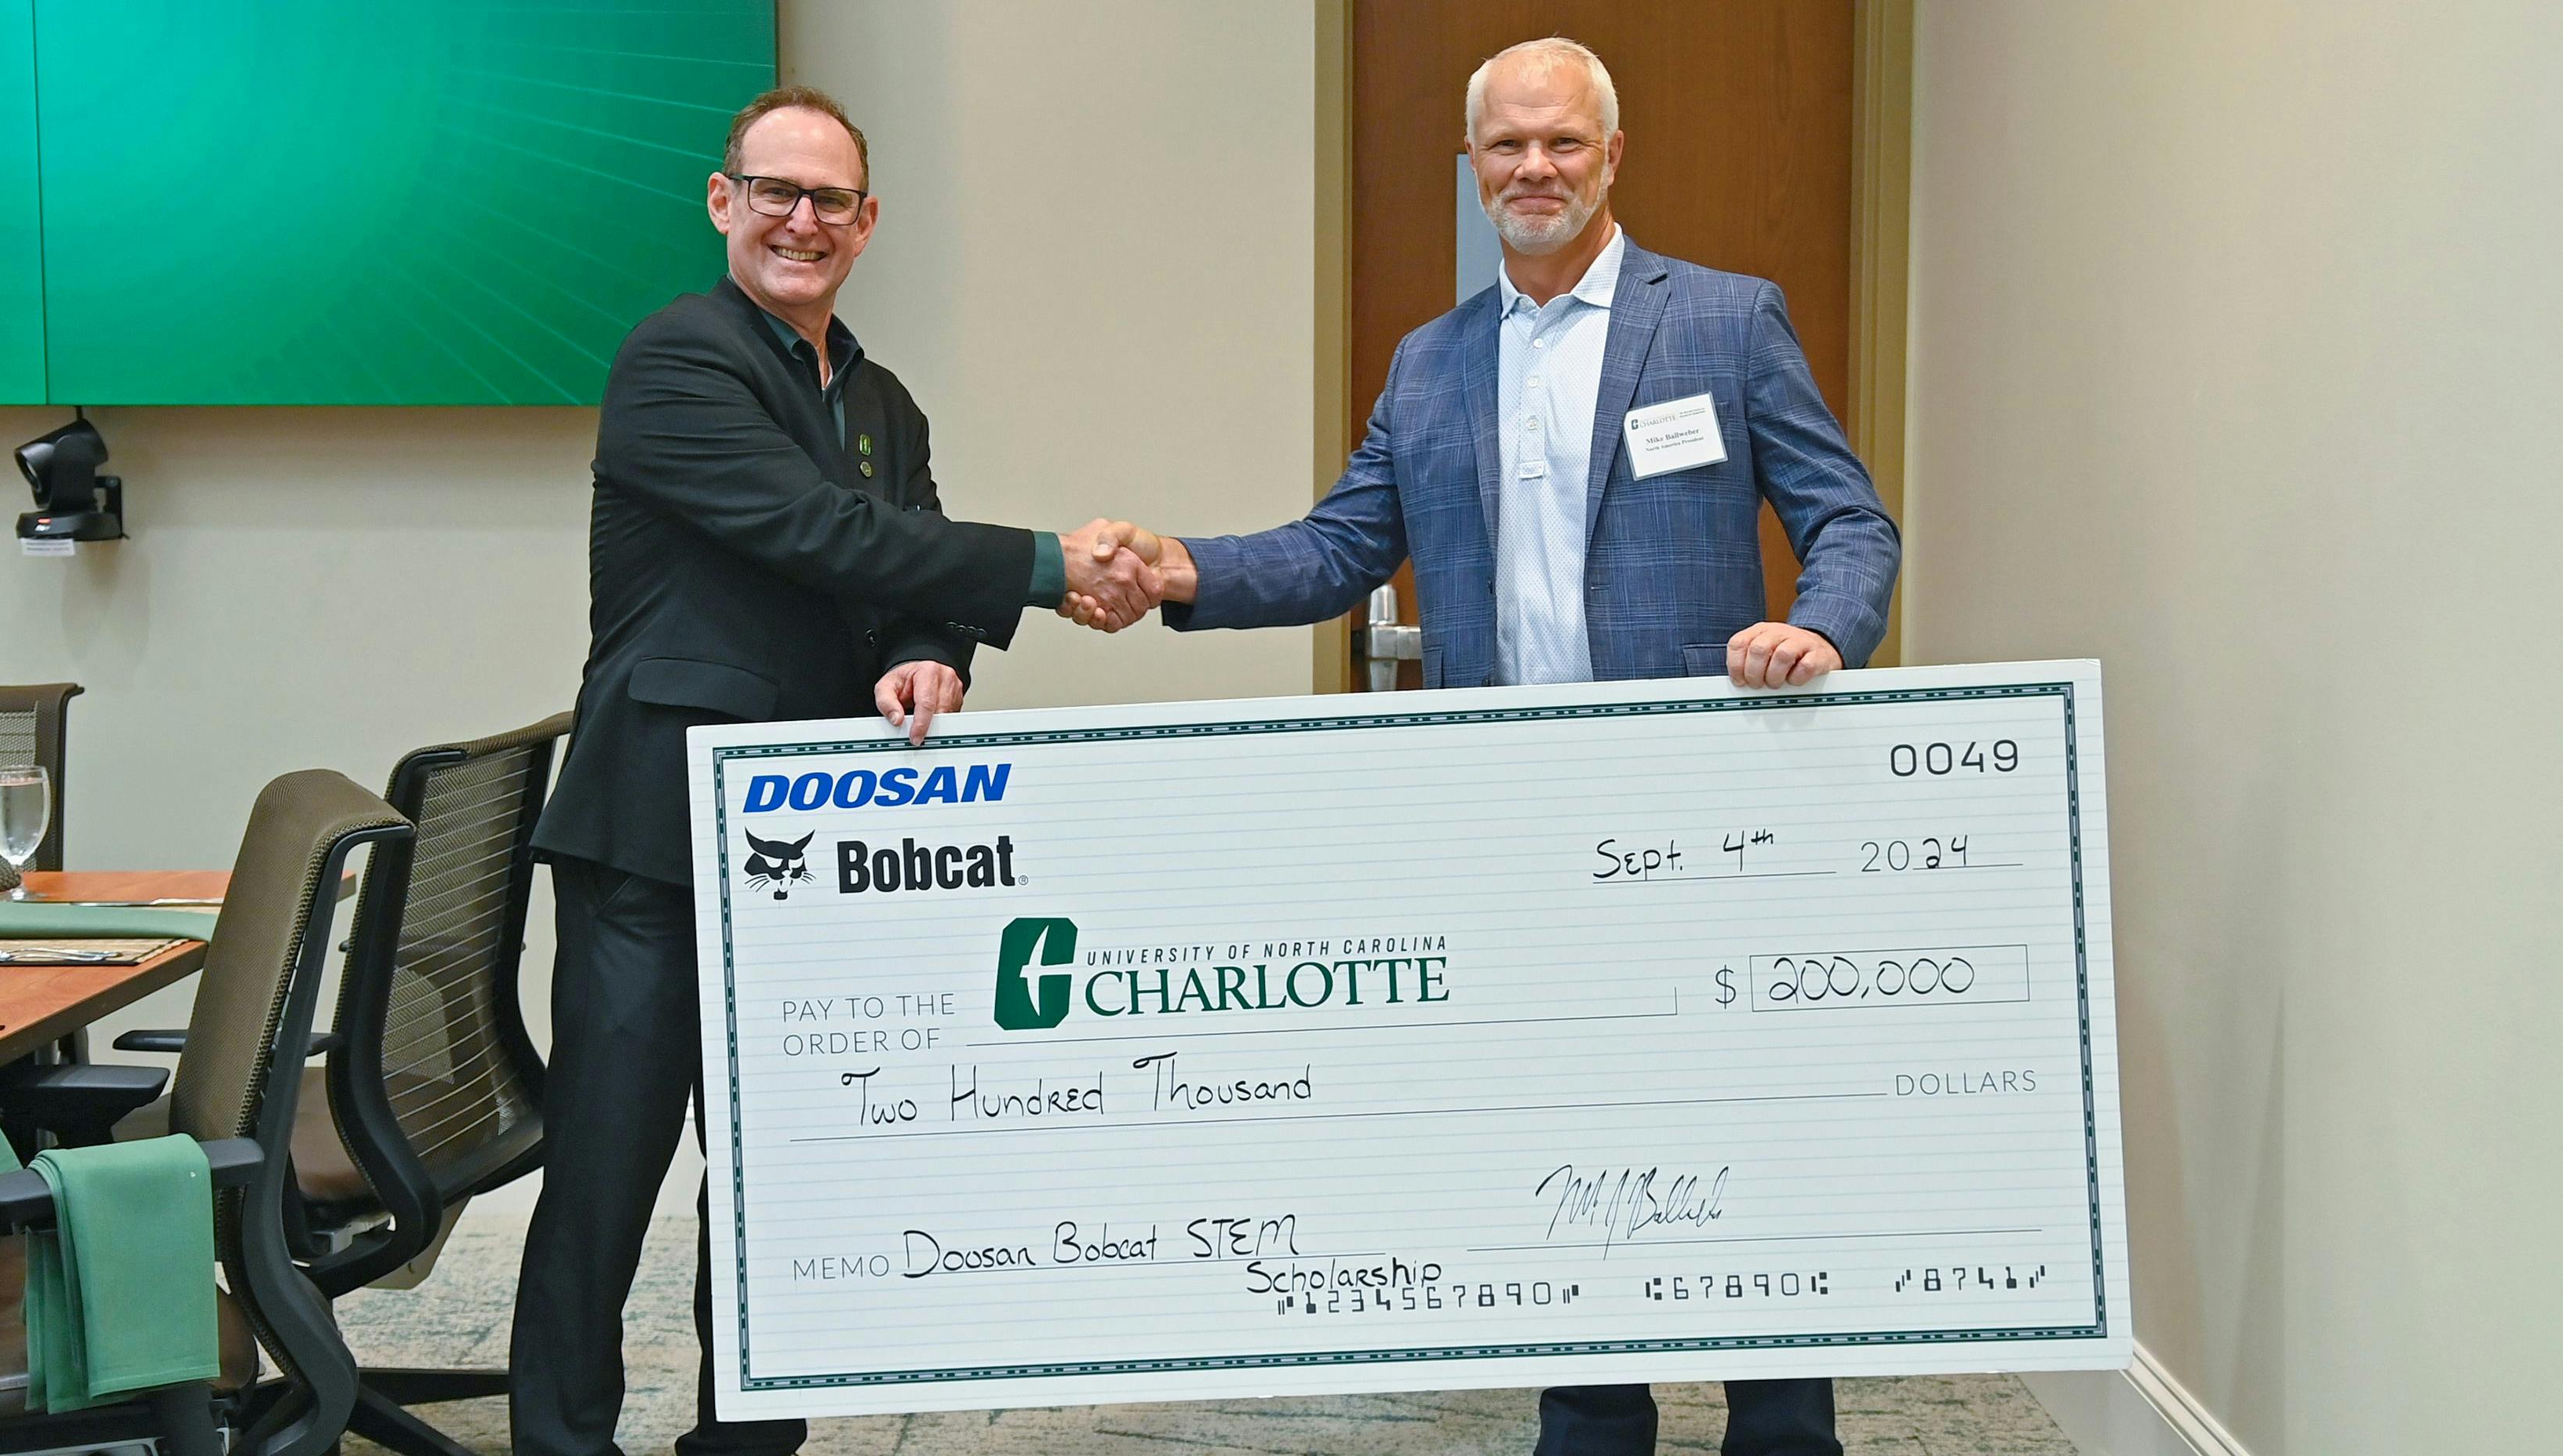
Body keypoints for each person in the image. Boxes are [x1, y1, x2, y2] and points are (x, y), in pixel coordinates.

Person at [1067, 38, 1897, 1456]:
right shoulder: (1434, 363)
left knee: (1742, 1141)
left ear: (1612, 156)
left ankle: (1781, 1428)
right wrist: (1180, 570)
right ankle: (1588, 1423)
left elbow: (1849, 522)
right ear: (1472, 165)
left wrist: (1820, 632)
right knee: (1565, 1137)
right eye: (1506, 146)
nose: (1534, 169)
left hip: (1707, 818)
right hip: (1515, 827)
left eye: (1562, 144)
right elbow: (1339, 548)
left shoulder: (1724, 322)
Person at [516, 85, 1154, 1456]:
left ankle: (745, 1446)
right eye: (775, 193)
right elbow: (823, 537)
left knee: (777, 1195)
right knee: (602, 1188)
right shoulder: (675, 363)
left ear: (867, 223)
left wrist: (938, 656)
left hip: (811, 863)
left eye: (830, 201)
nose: (801, 222)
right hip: (651, 844)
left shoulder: (881, 397)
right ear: (722, 202)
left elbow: (901, 558)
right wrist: (1050, 565)